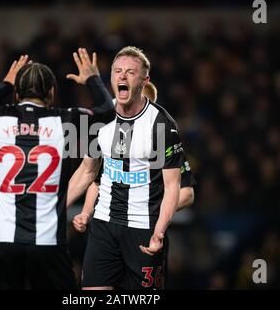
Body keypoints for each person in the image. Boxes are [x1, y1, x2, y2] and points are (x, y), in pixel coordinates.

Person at [0, 50, 114, 289]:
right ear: (52, 93)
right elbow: (107, 111)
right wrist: (92, 79)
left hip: (5, 240)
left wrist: (5, 83)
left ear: (16, 93)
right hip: (49, 244)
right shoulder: (65, 120)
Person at [67, 46, 183, 290]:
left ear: (144, 80)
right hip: (103, 226)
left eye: (130, 72)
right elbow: (88, 171)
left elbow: (174, 186)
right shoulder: (100, 119)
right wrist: (56, 208)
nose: (122, 76)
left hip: (143, 229)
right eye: (117, 71)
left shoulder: (161, 124)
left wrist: (159, 231)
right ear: (110, 78)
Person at [74, 82, 196, 235]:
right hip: (108, 226)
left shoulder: (163, 138)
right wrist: (85, 213)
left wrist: (149, 210)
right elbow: (98, 179)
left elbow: (187, 193)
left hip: (144, 227)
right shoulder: (109, 133)